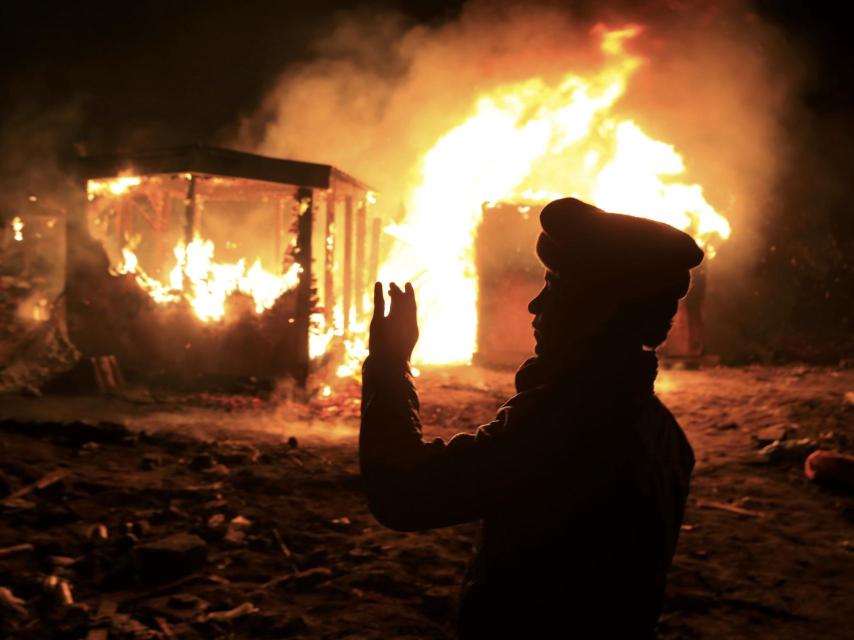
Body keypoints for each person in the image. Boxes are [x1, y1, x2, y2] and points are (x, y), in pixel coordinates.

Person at [360, 197, 703, 638]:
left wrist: (389, 364)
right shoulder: (663, 431)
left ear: (598, 310)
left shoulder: (568, 425)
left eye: (556, 288)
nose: (535, 306)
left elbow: (403, 492)